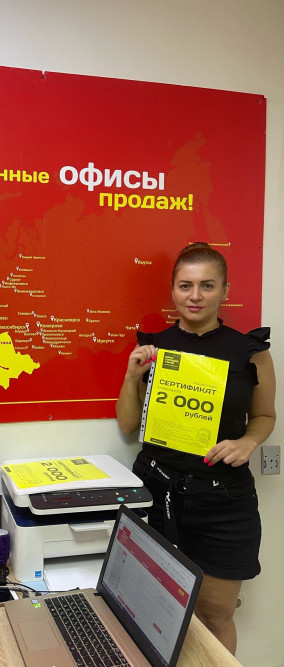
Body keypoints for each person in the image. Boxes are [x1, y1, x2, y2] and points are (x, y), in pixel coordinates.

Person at [116, 242, 276, 655]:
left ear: (225, 290)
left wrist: (248, 442)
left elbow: (264, 415)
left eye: (208, 285)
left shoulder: (251, 352)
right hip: (156, 490)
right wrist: (132, 376)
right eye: (185, 285)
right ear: (173, 289)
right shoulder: (155, 347)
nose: (195, 295)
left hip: (224, 501)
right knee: (145, 605)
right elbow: (129, 425)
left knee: (215, 613)